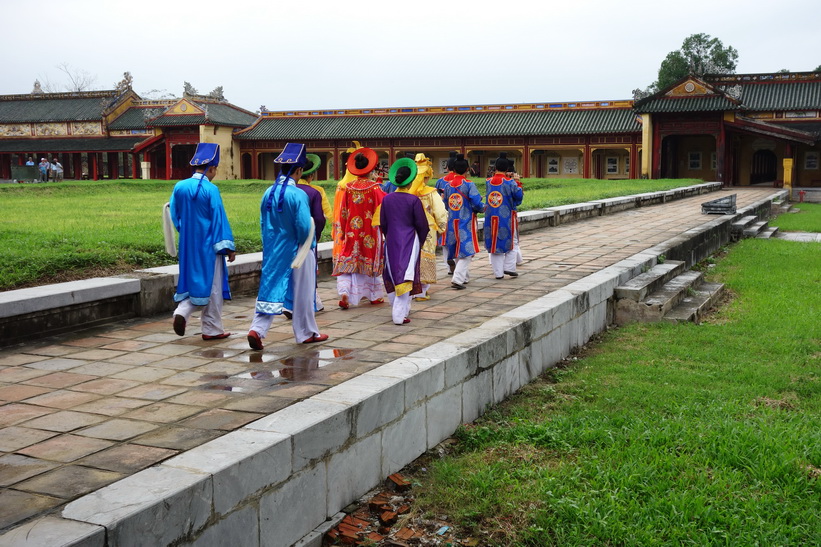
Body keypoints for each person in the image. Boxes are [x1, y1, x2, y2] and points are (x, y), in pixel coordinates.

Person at [247, 143, 328, 349]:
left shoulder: (268, 192)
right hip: (298, 250)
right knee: (303, 292)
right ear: (299, 170)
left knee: (271, 287)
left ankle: (257, 329)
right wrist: (307, 244)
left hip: (275, 249)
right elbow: (303, 226)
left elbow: (264, 223)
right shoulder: (298, 194)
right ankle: (306, 332)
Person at [169, 143, 236, 341]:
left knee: (192, 280)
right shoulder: (211, 189)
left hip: (188, 244)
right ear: (212, 168)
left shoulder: (180, 186)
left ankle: (182, 310)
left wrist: (187, 231)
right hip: (209, 246)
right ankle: (211, 328)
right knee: (212, 286)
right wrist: (228, 247)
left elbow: (175, 214)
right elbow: (219, 218)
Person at [376, 158, 429, 324]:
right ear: (411, 180)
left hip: (391, 240)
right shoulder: (413, 200)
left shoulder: (387, 199)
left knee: (392, 272)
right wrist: (419, 241)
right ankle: (399, 315)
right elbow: (422, 225)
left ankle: (398, 308)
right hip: (409, 240)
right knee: (407, 273)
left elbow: (382, 223)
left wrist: (389, 235)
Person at [332, 146, 386, 309]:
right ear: (370, 169)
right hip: (370, 232)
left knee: (349, 260)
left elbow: (343, 211)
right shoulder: (374, 188)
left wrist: (341, 233)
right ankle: (374, 295)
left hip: (351, 231)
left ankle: (345, 291)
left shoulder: (349, 187)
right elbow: (383, 208)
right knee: (369, 261)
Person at [407, 153, 447, 301]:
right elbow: (440, 212)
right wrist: (442, 227)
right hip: (428, 228)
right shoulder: (431, 193)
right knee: (426, 255)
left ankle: (408, 288)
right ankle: (421, 292)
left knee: (411, 256)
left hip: (409, 228)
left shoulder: (405, 192)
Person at [442, 154, 484, 289]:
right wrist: (482, 208)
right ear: (467, 169)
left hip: (452, 221)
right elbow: (477, 202)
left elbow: (445, 203)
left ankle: (464, 277)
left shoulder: (448, 186)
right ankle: (458, 279)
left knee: (456, 249)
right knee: (467, 251)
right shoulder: (469, 184)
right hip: (466, 221)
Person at [294, 153, 328, 315]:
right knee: (308, 270)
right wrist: (317, 235)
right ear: (312, 175)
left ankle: (290, 302)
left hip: (288, 237)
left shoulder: (288, 189)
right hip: (308, 236)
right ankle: (311, 303)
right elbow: (320, 219)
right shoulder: (314, 192)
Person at [485, 152, 523, 279]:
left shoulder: (488, 181)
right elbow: (518, 197)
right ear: (507, 169)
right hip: (507, 217)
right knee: (511, 242)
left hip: (491, 217)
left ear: (495, 167)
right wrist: (518, 182)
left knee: (494, 243)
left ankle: (498, 273)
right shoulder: (510, 183)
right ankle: (509, 267)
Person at [434, 151, 458, 274]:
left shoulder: (440, 181)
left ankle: (449, 269)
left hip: (443, 215)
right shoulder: (462, 181)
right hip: (458, 216)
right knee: (458, 240)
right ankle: (458, 266)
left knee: (445, 243)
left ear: (447, 167)